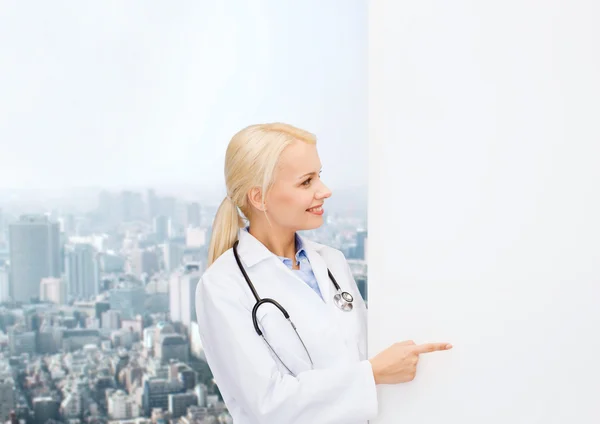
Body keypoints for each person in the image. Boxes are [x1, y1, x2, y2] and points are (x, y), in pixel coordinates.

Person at [195, 123, 453, 424]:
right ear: (259, 198)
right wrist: (373, 373)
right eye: (306, 182)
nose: (325, 191)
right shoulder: (222, 287)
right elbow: (267, 405)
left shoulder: (332, 262)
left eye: (320, 176)